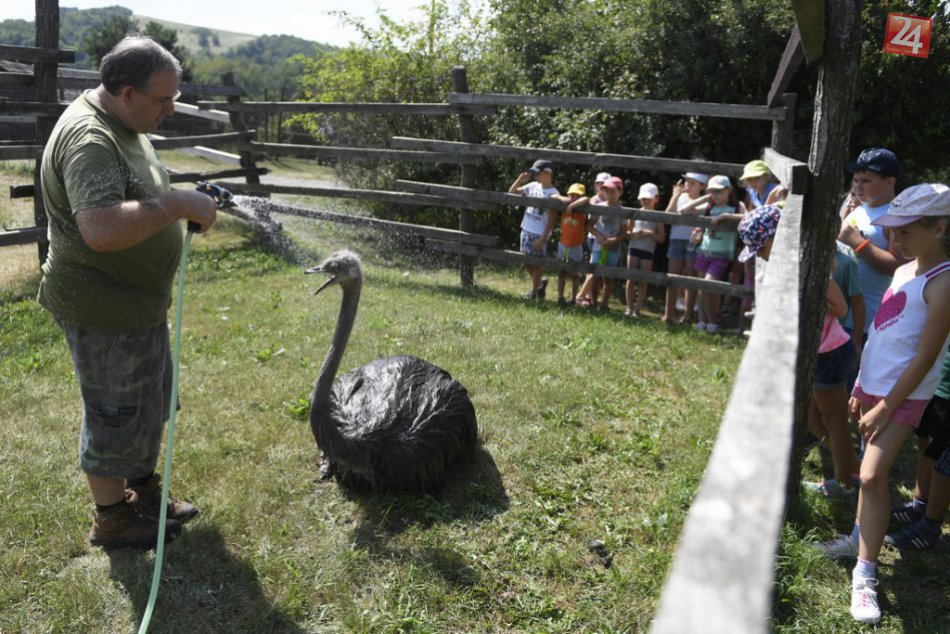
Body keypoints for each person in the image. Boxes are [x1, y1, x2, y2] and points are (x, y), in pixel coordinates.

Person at [38, 35, 217, 549]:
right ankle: (112, 518)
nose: (171, 107)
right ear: (125, 91)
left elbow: (137, 190)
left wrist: (182, 197)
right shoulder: (91, 140)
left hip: (136, 301)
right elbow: (101, 229)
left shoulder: (126, 121)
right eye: (163, 99)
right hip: (103, 306)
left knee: (149, 404)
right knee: (114, 413)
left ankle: (142, 492)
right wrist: (179, 204)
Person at [814, 183, 950, 625]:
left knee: (871, 476)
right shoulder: (905, 269)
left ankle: (865, 574)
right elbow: (883, 334)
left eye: (908, 232)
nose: (897, 240)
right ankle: (859, 537)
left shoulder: (943, 282)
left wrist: (886, 406)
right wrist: (858, 385)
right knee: (868, 478)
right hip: (873, 390)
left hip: (903, 399)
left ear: (940, 227)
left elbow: (926, 356)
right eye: (893, 231)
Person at [801, 257, 861, 499]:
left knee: (834, 423)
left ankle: (845, 483)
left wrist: (808, 297)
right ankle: (855, 468)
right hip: (821, 353)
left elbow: (842, 309)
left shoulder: (820, 278)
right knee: (813, 422)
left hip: (831, 352)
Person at [837, 148, 907, 353]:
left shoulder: (896, 215)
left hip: (870, 319)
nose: (858, 186)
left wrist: (857, 242)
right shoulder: (859, 208)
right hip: (842, 312)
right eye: (856, 180)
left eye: (866, 181)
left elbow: (897, 266)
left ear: (890, 182)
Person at [884, 345, 950, 550]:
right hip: (936, 379)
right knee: (925, 441)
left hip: (944, 385)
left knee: (944, 458)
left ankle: (929, 526)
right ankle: (920, 506)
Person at [691, 175, 745, 333]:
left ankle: (713, 322)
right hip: (704, 251)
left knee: (708, 285)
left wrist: (725, 216)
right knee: (703, 288)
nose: (715, 195)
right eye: (712, 192)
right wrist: (705, 199)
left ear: (729, 190)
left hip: (722, 254)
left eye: (718, 191)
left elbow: (748, 216)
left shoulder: (736, 207)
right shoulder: (709, 206)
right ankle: (703, 321)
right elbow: (684, 210)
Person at [509, 159, 560, 300]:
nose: (535, 175)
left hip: (539, 234)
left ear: (547, 173)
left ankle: (534, 292)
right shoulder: (532, 186)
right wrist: (519, 180)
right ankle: (539, 285)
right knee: (526, 260)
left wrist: (543, 237)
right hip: (526, 229)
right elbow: (512, 193)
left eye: (538, 173)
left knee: (536, 263)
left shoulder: (554, 193)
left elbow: (552, 219)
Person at [573, 176, 626, 311]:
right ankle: (593, 302)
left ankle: (604, 304)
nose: (609, 194)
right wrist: (599, 235)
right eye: (607, 191)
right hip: (598, 246)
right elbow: (589, 226)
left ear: (620, 192)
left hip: (613, 248)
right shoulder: (598, 207)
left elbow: (624, 233)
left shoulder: (623, 211)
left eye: (613, 191)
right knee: (595, 274)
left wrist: (614, 240)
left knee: (608, 277)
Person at [662, 172, 708, 324]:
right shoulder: (680, 197)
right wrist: (675, 195)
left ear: (702, 186)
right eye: (687, 182)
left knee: (690, 279)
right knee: (672, 278)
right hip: (676, 239)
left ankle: (688, 316)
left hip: (693, 242)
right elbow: (668, 214)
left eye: (692, 183)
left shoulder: (704, 202)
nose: (687, 185)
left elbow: (688, 211)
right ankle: (668, 314)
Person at [624, 183, 664, 318]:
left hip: (648, 251)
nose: (646, 201)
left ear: (656, 199)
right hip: (634, 248)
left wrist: (649, 234)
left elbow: (661, 238)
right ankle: (629, 308)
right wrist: (636, 234)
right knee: (631, 278)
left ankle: (637, 309)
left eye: (649, 198)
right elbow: (627, 233)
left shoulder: (658, 216)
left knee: (643, 280)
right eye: (643, 198)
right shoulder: (635, 213)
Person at [551, 183, 588, 306]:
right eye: (572, 195)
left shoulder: (583, 210)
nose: (574, 198)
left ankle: (573, 299)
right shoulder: (564, 206)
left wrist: (572, 205)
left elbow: (586, 199)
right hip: (563, 244)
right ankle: (560, 297)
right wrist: (562, 199)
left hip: (576, 246)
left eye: (577, 196)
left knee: (574, 274)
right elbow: (554, 195)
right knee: (561, 272)